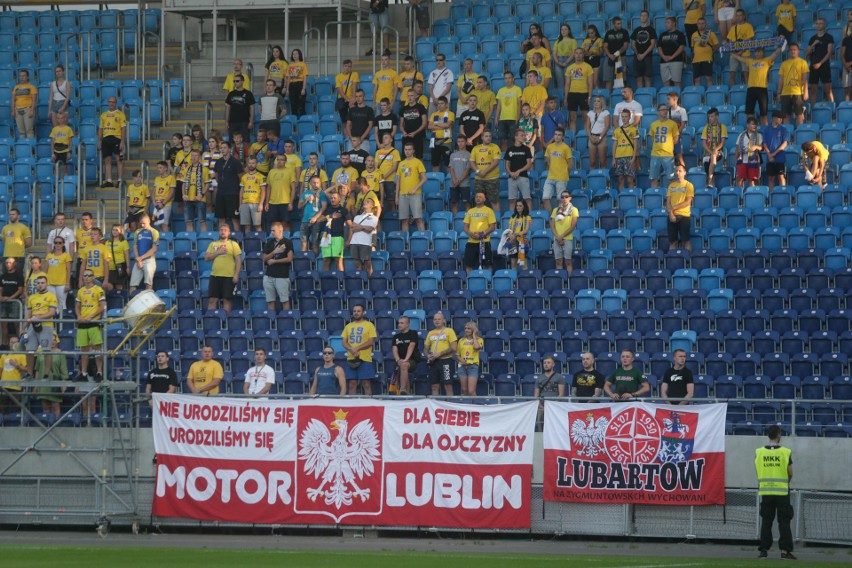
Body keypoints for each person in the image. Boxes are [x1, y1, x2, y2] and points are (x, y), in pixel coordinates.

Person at [755, 425, 796, 560]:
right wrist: (786, 481)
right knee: (784, 522)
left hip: (766, 491)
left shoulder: (759, 452)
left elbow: (757, 471)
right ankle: (785, 551)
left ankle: (763, 551)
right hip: (782, 491)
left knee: (766, 521)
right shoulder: (785, 452)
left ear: (768, 435)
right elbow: (790, 472)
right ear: (778, 435)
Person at [75, 269, 105, 415]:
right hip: (83, 323)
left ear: (93, 277)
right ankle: (84, 372)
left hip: (93, 322)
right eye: (85, 275)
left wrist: (92, 316)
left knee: (97, 348)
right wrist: (79, 316)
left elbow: (102, 306)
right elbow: (77, 306)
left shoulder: (98, 290)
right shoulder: (80, 291)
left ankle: (99, 372)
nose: (86, 277)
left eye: (89, 275)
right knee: (84, 350)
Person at [730, 44, 782, 125]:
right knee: (749, 112)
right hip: (751, 89)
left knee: (763, 113)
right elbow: (740, 59)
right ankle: (751, 129)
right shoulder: (751, 61)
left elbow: (775, 54)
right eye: (756, 52)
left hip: (762, 89)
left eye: (759, 51)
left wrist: (779, 48)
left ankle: (764, 130)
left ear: (763, 52)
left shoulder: (767, 60)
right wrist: (732, 54)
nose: (757, 53)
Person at [23, 275, 58, 379]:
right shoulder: (32, 297)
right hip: (32, 326)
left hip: (46, 326)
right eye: (38, 283)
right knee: (29, 350)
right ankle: (29, 374)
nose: (40, 285)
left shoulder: (51, 296)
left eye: (42, 283)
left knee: (46, 350)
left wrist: (39, 317)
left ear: (46, 284)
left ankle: (46, 374)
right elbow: (27, 314)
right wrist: (23, 327)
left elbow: (52, 312)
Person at [204, 223, 242, 315]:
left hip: (229, 277)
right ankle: (211, 321)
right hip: (215, 276)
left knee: (227, 300)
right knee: (212, 300)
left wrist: (236, 274)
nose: (223, 232)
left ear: (229, 233)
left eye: (225, 230)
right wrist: (218, 252)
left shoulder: (233, 244)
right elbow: (206, 258)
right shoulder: (213, 244)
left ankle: (226, 322)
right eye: (221, 230)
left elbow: (238, 260)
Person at [342, 304, 377, 395]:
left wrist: (356, 349)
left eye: (358, 311)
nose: (356, 313)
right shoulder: (348, 326)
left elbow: (370, 342)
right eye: (354, 311)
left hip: (365, 358)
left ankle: (368, 405)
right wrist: (352, 350)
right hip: (351, 358)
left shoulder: (369, 325)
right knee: (352, 384)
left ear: (363, 312)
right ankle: (353, 406)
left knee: (366, 383)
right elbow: (344, 342)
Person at [35, 332, 69, 419]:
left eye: (54, 340)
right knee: (45, 406)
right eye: (50, 340)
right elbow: (37, 370)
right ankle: (47, 424)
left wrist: (63, 384)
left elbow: (64, 370)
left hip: (55, 381)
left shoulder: (60, 353)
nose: (53, 342)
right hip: (43, 383)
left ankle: (56, 425)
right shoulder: (41, 353)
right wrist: (36, 384)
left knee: (55, 406)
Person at [463, 189, 497, 274]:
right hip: (471, 242)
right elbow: (465, 227)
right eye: (476, 197)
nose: (478, 198)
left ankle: (488, 280)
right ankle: (469, 281)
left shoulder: (489, 211)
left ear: (484, 199)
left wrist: (482, 234)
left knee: (488, 264)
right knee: (469, 264)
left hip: (484, 241)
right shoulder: (470, 211)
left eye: (480, 197)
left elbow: (492, 227)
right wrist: (470, 233)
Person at [262, 222, 293, 311]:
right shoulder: (269, 243)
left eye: (273, 230)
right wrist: (274, 252)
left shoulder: (287, 242)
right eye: (271, 230)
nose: (272, 232)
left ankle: (286, 321)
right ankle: (272, 322)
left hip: (282, 276)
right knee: (270, 301)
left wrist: (275, 261)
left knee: (284, 300)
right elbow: (264, 258)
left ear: (280, 230)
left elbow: (289, 258)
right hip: (269, 275)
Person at [212, 140, 244, 230]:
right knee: (221, 218)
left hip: (233, 193)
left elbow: (241, 178)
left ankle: (237, 240)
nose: (222, 149)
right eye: (221, 148)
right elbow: (217, 176)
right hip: (221, 193)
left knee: (234, 218)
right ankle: (220, 240)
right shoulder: (218, 162)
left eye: (225, 147)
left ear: (229, 149)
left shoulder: (235, 162)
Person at [396, 142, 426, 233]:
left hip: (415, 194)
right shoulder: (401, 163)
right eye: (406, 149)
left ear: (413, 151)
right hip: (403, 194)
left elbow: (424, 178)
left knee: (418, 218)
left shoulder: (418, 162)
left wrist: (415, 189)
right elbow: (398, 180)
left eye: (409, 149)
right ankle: (406, 242)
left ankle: (423, 237)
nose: (407, 151)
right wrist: (396, 196)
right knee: (404, 220)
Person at [541, 128, 574, 213]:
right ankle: (551, 217)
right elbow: (547, 159)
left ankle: (558, 218)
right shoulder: (549, 147)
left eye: (559, 135)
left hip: (561, 178)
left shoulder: (566, 148)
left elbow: (570, 163)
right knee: (545, 198)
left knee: (560, 200)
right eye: (555, 134)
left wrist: (565, 173)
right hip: (550, 177)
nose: (557, 136)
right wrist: (551, 166)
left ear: (563, 137)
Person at [425, 311, 457, 397]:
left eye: (439, 319)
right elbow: (425, 348)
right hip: (434, 362)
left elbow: (453, 347)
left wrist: (440, 353)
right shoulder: (430, 333)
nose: (437, 321)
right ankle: (435, 408)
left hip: (446, 361)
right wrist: (428, 355)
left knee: (448, 385)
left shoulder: (449, 331)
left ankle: (450, 407)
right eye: (435, 319)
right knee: (434, 386)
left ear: (444, 320)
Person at [777, 43, 809, 126]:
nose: (792, 51)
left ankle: (800, 133)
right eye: (791, 50)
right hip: (785, 93)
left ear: (798, 51)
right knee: (786, 115)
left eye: (794, 50)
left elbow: (805, 79)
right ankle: (787, 135)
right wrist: (779, 92)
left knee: (799, 114)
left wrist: (806, 92)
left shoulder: (803, 62)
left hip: (798, 92)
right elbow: (781, 79)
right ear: (788, 51)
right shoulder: (784, 63)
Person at [470, 131, 502, 213]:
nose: (488, 138)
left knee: (494, 201)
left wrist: (485, 172)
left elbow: (496, 161)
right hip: (479, 179)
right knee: (479, 200)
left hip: (492, 179)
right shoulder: (476, 148)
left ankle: (497, 221)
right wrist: (478, 171)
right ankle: (480, 220)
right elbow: (472, 162)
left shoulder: (495, 147)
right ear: (482, 137)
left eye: (490, 136)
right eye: (486, 136)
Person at [649, 104, 679, 188]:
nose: (665, 111)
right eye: (662, 110)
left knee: (671, 178)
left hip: (668, 155)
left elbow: (676, 139)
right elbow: (652, 138)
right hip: (655, 154)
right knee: (654, 178)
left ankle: (672, 197)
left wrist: (667, 146)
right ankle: (654, 197)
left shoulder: (672, 124)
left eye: (666, 109)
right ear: (658, 112)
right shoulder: (653, 124)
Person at [98, 97, 126, 187]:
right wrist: (99, 141)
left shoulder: (120, 114)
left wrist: (122, 141)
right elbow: (100, 129)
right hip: (106, 138)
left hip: (116, 138)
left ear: (116, 103)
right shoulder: (103, 115)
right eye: (110, 102)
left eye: (113, 102)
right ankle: (109, 180)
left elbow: (123, 128)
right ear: (108, 103)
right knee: (107, 160)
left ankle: (120, 180)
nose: (111, 104)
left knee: (119, 159)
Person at [564, 48, 594, 133]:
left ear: (583, 54)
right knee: (572, 118)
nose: (578, 55)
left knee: (585, 117)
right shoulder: (570, 68)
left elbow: (590, 83)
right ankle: (573, 139)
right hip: (572, 94)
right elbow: (567, 84)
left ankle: (584, 137)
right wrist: (566, 97)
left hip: (584, 93)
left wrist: (589, 96)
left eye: (580, 53)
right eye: (576, 53)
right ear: (574, 54)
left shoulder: (588, 67)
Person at [319, 191, 349, 272]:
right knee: (326, 260)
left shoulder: (343, 210)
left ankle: (340, 282)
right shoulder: (327, 210)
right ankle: (326, 281)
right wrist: (331, 216)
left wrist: (349, 239)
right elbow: (319, 220)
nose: (332, 199)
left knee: (338, 260)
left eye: (335, 198)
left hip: (338, 237)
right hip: (326, 237)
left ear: (339, 199)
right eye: (331, 198)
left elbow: (350, 224)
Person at [181, 149, 211, 232]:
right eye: (192, 155)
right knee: (188, 222)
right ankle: (190, 242)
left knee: (202, 221)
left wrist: (201, 194)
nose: (194, 157)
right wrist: (184, 194)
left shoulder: (204, 169)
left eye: (196, 155)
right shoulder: (187, 169)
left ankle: (204, 241)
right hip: (188, 199)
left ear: (200, 157)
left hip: (200, 199)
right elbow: (183, 184)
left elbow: (207, 184)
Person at [666, 164, 694, 252]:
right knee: (672, 242)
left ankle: (688, 261)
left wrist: (673, 208)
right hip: (672, 216)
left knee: (686, 241)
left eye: (680, 171)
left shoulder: (689, 185)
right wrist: (671, 214)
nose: (677, 173)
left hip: (684, 216)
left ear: (684, 173)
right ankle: (672, 261)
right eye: (676, 171)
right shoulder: (671, 185)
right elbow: (668, 201)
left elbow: (688, 202)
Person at [806, 18, 835, 103]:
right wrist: (814, 44)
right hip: (813, 66)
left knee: (828, 90)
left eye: (821, 23)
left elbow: (829, 53)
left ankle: (832, 109)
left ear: (824, 25)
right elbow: (807, 52)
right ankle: (812, 112)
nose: (818, 25)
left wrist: (820, 63)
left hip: (824, 66)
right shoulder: (812, 38)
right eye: (817, 23)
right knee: (813, 91)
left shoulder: (829, 37)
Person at [128, 215, 158, 294]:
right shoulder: (138, 232)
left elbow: (154, 249)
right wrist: (138, 258)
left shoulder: (154, 232)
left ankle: (149, 303)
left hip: (149, 260)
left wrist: (141, 258)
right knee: (132, 285)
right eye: (141, 223)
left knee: (148, 284)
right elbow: (135, 246)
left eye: (144, 223)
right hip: (139, 260)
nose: (142, 225)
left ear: (149, 221)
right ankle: (131, 301)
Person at [551, 191, 579, 274]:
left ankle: (569, 281)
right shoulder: (555, 210)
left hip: (567, 239)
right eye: (562, 197)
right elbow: (552, 225)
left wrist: (561, 236)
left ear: (570, 198)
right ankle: (560, 280)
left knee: (568, 262)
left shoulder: (574, 210)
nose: (564, 198)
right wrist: (557, 236)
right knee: (558, 262)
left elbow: (572, 226)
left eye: (566, 196)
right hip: (556, 239)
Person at [299, 174, 328, 254]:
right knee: (303, 243)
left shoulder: (322, 193)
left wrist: (315, 217)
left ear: (320, 183)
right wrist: (306, 200)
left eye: (317, 183)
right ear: (310, 183)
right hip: (305, 221)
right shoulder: (306, 193)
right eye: (314, 183)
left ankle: (315, 264)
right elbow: (299, 206)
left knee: (315, 244)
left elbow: (324, 207)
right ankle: (304, 262)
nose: (316, 184)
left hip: (316, 221)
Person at [612, 108, 640, 190]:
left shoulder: (634, 129)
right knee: (620, 179)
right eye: (622, 117)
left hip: (629, 156)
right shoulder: (617, 130)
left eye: (626, 117)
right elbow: (614, 145)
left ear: (629, 117)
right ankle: (622, 196)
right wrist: (614, 159)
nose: (624, 118)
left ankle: (631, 195)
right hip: (619, 156)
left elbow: (635, 145)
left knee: (630, 179)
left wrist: (634, 158)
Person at [534, 356, 566, 426]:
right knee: (541, 429)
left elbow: (561, 395)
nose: (546, 364)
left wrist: (552, 406)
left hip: (554, 408)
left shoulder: (559, 377)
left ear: (553, 364)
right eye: (544, 363)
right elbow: (536, 395)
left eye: (548, 363)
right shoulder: (539, 378)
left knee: (555, 427)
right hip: (541, 407)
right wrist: (540, 406)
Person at [392, 315, 420, 395]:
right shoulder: (396, 337)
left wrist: (405, 360)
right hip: (400, 361)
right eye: (399, 323)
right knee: (403, 366)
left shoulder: (413, 333)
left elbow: (411, 346)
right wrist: (398, 360)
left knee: (404, 365)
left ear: (407, 324)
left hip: (412, 360)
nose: (399, 325)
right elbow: (394, 349)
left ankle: (402, 388)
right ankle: (407, 393)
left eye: (402, 323)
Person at [495, 71, 522, 151]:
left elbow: (519, 105)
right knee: (502, 139)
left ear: (513, 79)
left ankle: (512, 156)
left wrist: (518, 117)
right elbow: (499, 105)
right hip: (502, 118)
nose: (507, 80)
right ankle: (504, 156)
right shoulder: (501, 90)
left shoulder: (517, 89)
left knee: (512, 139)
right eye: (506, 78)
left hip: (513, 118)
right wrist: (496, 117)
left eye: (509, 78)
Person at [727, 9, 755, 87]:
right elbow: (730, 42)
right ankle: (732, 90)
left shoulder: (748, 26)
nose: (739, 17)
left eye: (740, 15)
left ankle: (748, 90)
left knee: (746, 73)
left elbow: (749, 41)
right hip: (734, 53)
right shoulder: (733, 28)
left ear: (744, 16)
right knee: (732, 74)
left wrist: (740, 52)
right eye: (737, 15)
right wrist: (733, 52)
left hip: (745, 53)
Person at [238, 156, 267, 233]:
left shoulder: (261, 176)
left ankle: (260, 242)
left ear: (256, 164)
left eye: (253, 163)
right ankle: (247, 242)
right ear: (247, 164)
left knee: (257, 225)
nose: (251, 165)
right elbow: (241, 191)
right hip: (244, 203)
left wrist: (261, 204)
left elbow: (263, 191)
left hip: (256, 203)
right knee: (246, 225)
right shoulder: (244, 177)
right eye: (249, 163)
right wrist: (240, 204)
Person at [763, 110, 790, 190]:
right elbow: (764, 144)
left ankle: (783, 193)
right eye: (779, 118)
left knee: (781, 176)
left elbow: (784, 144)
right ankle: (771, 196)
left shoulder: (783, 130)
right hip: (769, 158)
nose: (781, 120)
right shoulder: (766, 130)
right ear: (774, 118)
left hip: (780, 157)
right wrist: (769, 155)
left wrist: (773, 154)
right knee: (770, 178)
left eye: (781, 118)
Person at [701, 107, 728, 188]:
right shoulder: (706, 128)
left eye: (712, 116)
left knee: (714, 156)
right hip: (707, 153)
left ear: (717, 116)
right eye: (709, 116)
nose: (710, 118)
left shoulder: (722, 127)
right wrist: (710, 151)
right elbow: (704, 143)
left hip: (719, 152)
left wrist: (715, 150)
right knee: (707, 165)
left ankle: (709, 179)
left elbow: (723, 142)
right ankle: (711, 184)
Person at [658, 17, 687, 88]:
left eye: (668, 22)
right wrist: (663, 56)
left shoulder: (680, 34)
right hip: (664, 61)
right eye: (666, 23)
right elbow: (659, 47)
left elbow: (681, 47)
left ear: (674, 23)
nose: (666, 24)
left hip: (676, 60)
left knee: (677, 82)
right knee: (665, 82)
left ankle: (678, 98)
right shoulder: (662, 35)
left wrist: (672, 57)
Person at [0, 335, 27, 413]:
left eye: (15, 342)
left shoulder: (22, 355)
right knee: (2, 409)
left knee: (17, 409)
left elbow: (27, 369)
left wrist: (16, 365)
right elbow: (0, 370)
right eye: (11, 342)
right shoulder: (4, 356)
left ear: (19, 343)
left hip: (16, 386)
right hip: (4, 386)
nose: (13, 344)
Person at [224, 74, 255, 142]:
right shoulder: (231, 93)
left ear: (242, 81)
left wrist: (251, 121)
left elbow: (252, 108)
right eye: (234, 81)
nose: (235, 83)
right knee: (231, 141)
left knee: (246, 140)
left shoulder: (248, 93)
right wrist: (226, 121)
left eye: (237, 81)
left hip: (244, 121)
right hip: (232, 122)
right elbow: (228, 108)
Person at [0, 258, 23, 348]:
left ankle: (19, 344)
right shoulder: (3, 276)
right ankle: (4, 345)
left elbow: (20, 290)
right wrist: (1, 297)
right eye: (6, 263)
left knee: (17, 324)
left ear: (14, 264)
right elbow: (1, 289)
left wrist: (11, 298)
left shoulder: (19, 276)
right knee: (3, 324)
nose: (8, 264)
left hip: (15, 302)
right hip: (4, 302)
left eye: (10, 262)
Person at [456, 321, 483, 397]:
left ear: (474, 330)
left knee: (471, 391)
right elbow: (457, 355)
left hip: (473, 367)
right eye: (465, 328)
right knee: (464, 391)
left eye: (469, 328)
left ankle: (475, 407)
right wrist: (460, 359)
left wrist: (474, 335)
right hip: (462, 367)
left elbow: (477, 347)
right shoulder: (461, 340)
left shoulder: (479, 340)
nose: (466, 330)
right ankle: (466, 407)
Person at [735, 118, 764, 188]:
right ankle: (740, 194)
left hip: (753, 159)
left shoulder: (759, 135)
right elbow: (737, 149)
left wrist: (756, 147)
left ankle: (752, 194)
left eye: (755, 124)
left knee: (751, 179)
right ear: (748, 125)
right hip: (742, 159)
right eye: (753, 124)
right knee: (740, 178)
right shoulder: (741, 135)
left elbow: (762, 148)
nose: (755, 126)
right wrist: (735, 160)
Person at [602, 17, 630, 91]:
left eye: (620, 23)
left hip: (621, 57)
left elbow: (625, 45)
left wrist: (617, 53)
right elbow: (605, 46)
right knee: (608, 80)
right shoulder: (608, 33)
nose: (620, 25)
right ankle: (609, 98)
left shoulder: (624, 32)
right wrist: (610, 55)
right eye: (618, 24)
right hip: (609, 57)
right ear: (614, 24)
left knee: (622, 79)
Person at [399, 87, 428, 159]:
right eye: (408, 96)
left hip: (418, 136)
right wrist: (403, 132)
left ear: (415, 96)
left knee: (419, 157)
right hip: (407, 136)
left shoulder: (421, 107)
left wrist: (415, 133)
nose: (410, 97)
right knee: (405, 157)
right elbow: (401, 124)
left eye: (411, 95)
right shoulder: (403, 109)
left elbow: (424, 123)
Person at [45, 236, 72, 312]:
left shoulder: (66, 255)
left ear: (63, 244)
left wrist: (67, 283)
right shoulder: (49, 255)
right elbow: (45, 270)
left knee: (61, 304)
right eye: (56, 242)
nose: (58, 244)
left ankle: (62, 321)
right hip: (50, 283)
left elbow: (68, 270)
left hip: (61, 283)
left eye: (60, 243)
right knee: (52, 303)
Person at [631, 11, 657, 88]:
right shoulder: (636, 30)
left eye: (645, 15)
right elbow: (632, 44)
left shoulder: (651, 30)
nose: (643, 17)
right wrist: (638, 54)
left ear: (648, 17)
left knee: (647, 78)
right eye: (641, 15)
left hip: (647, 56)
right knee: (638, 78)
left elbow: (652, 44)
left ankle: (647, 95)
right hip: (637, 57)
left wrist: (643, 54)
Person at [691, 17, 719, 87]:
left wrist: (712, 51)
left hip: (707, 58)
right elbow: (692, 46)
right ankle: (698, 94)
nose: (701, 25)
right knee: (697, 79)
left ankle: (710, 93)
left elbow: (717, 45)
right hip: (696, 60)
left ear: (705, 24)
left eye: (703, 23)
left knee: (708, 78)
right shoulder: (694, 35)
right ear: (697, 25)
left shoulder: (710, 33)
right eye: (699, 23)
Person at [2, 208, 32, 273]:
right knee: (5, 278)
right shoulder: (5, 228)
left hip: (19, 257)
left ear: (18, 216)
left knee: (18, 277)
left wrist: (19, 247)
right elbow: (5, 241)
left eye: (13, 214)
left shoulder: (24, 228)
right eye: (10, 214)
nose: (11, 216)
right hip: (6, 256)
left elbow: (29, 243)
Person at [448, 135, 471, 214]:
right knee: (454, 203)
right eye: (459, 142)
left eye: (462, 141)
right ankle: (455, 222)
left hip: (464, 184)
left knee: (466, 203)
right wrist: (454, 180)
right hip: (453, 184)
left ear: (465, 142)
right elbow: (451, 168)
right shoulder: (452, 155)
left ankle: (469, 221)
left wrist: (459, 180)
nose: (460, 143)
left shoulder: (469, 155)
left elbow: (467, 170)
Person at [587, 95, 611, 170]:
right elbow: (587, 127)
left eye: (598, 101)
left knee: (602, 161)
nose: (596, 103)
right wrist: (590, 137)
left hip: (602, 137)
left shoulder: (605, 113)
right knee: (592, 161)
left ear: (602, 103)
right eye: (595, 101)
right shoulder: (590, 113)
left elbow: (607, 126)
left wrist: (600, 137)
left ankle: (604, 179)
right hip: (592, 137)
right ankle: (592, 178)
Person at [12, 69, 37, 138]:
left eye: (23, 76)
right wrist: (13, 111)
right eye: (20, 76)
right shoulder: (16, 87)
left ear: (27, 77)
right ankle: (22, 147)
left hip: (27, 109)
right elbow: (13, 100)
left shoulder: (32, 87)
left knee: (29, 130)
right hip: (17, 110)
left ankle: (30, 146)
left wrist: (32, 110)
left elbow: (34, 100)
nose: (22, 77)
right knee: (21, 131)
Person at [506, 200, 531, 270]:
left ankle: (525, 279)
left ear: (524, 207)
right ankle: (514, 280)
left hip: (522, 241)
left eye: (520, 206)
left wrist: (516, 234)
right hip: (513, 242)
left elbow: (526, 230)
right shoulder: (513, 217)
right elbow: (509, 228)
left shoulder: (527, 217)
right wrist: (510, 234)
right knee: (513, 262)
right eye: (517, 206)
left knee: (524, 263)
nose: (518, 207)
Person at [553, 24, 578, 92]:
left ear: (569, 31)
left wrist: (566, 62)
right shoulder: (557, 41)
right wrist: (558, 62)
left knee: (569, 81)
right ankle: (561, 99)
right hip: (558, 60)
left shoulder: (573, 40)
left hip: (570, 60)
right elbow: (554, 53)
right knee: (560, 82)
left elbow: (573, 53)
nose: (563, 31)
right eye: (562, 29)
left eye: (565, 29)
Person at [106, 225, 129, 290]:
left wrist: (128, 267)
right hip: (109, 268)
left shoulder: (123, 242)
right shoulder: (107, 242)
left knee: (119, 287)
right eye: (113, 230)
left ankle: (119, 299)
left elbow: (126, 255)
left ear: (120, 231)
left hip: (119, 267)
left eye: (116, 230)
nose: (114, 231)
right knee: (109, 286)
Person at [581, 25, 604, 90]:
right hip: (586, 60)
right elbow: (582, 51)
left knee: (595, 81)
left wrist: (593, 53)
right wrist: (585, 52)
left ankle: (597, 95)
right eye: (589, 33)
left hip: (595, 60)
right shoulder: (585, 40)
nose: (590, 35)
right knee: (588, 81)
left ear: (595, 32)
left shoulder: (599, 40)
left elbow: (601, 53)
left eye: (592, 33)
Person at [288, 49, 308, 117]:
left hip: (300, 84)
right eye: (293, 54)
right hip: (292, 85)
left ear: (299, 54)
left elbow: (305, 77)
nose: (294, 55)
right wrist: (287, 89)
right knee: (293, 106)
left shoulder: (303, 64)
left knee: (301, 106)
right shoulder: (290, 65)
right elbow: (288, 78)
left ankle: (302, 123)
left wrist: (303, 88)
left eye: (296, 54)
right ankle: (294, 123)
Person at [842, 23, 852, 102]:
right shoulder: (846, 40)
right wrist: (846, 65)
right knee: (847, 90)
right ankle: (847, 108)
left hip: (849, 64)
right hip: (846, 67)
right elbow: (842, 54)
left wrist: (850, 63)